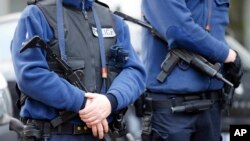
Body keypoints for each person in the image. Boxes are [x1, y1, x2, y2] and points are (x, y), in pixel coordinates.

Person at [10, 0, 146, 140]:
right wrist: (84, 103)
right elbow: (30, 73)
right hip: (53, 134)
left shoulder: (113, 20)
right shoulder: (36, 14)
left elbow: (134, 71)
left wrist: (110, 101)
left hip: (105, 133)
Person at [141, 0, 243, 141]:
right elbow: (177, 29)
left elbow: (217, 33)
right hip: (172, 109)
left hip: (212, 105)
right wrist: (228, 55)